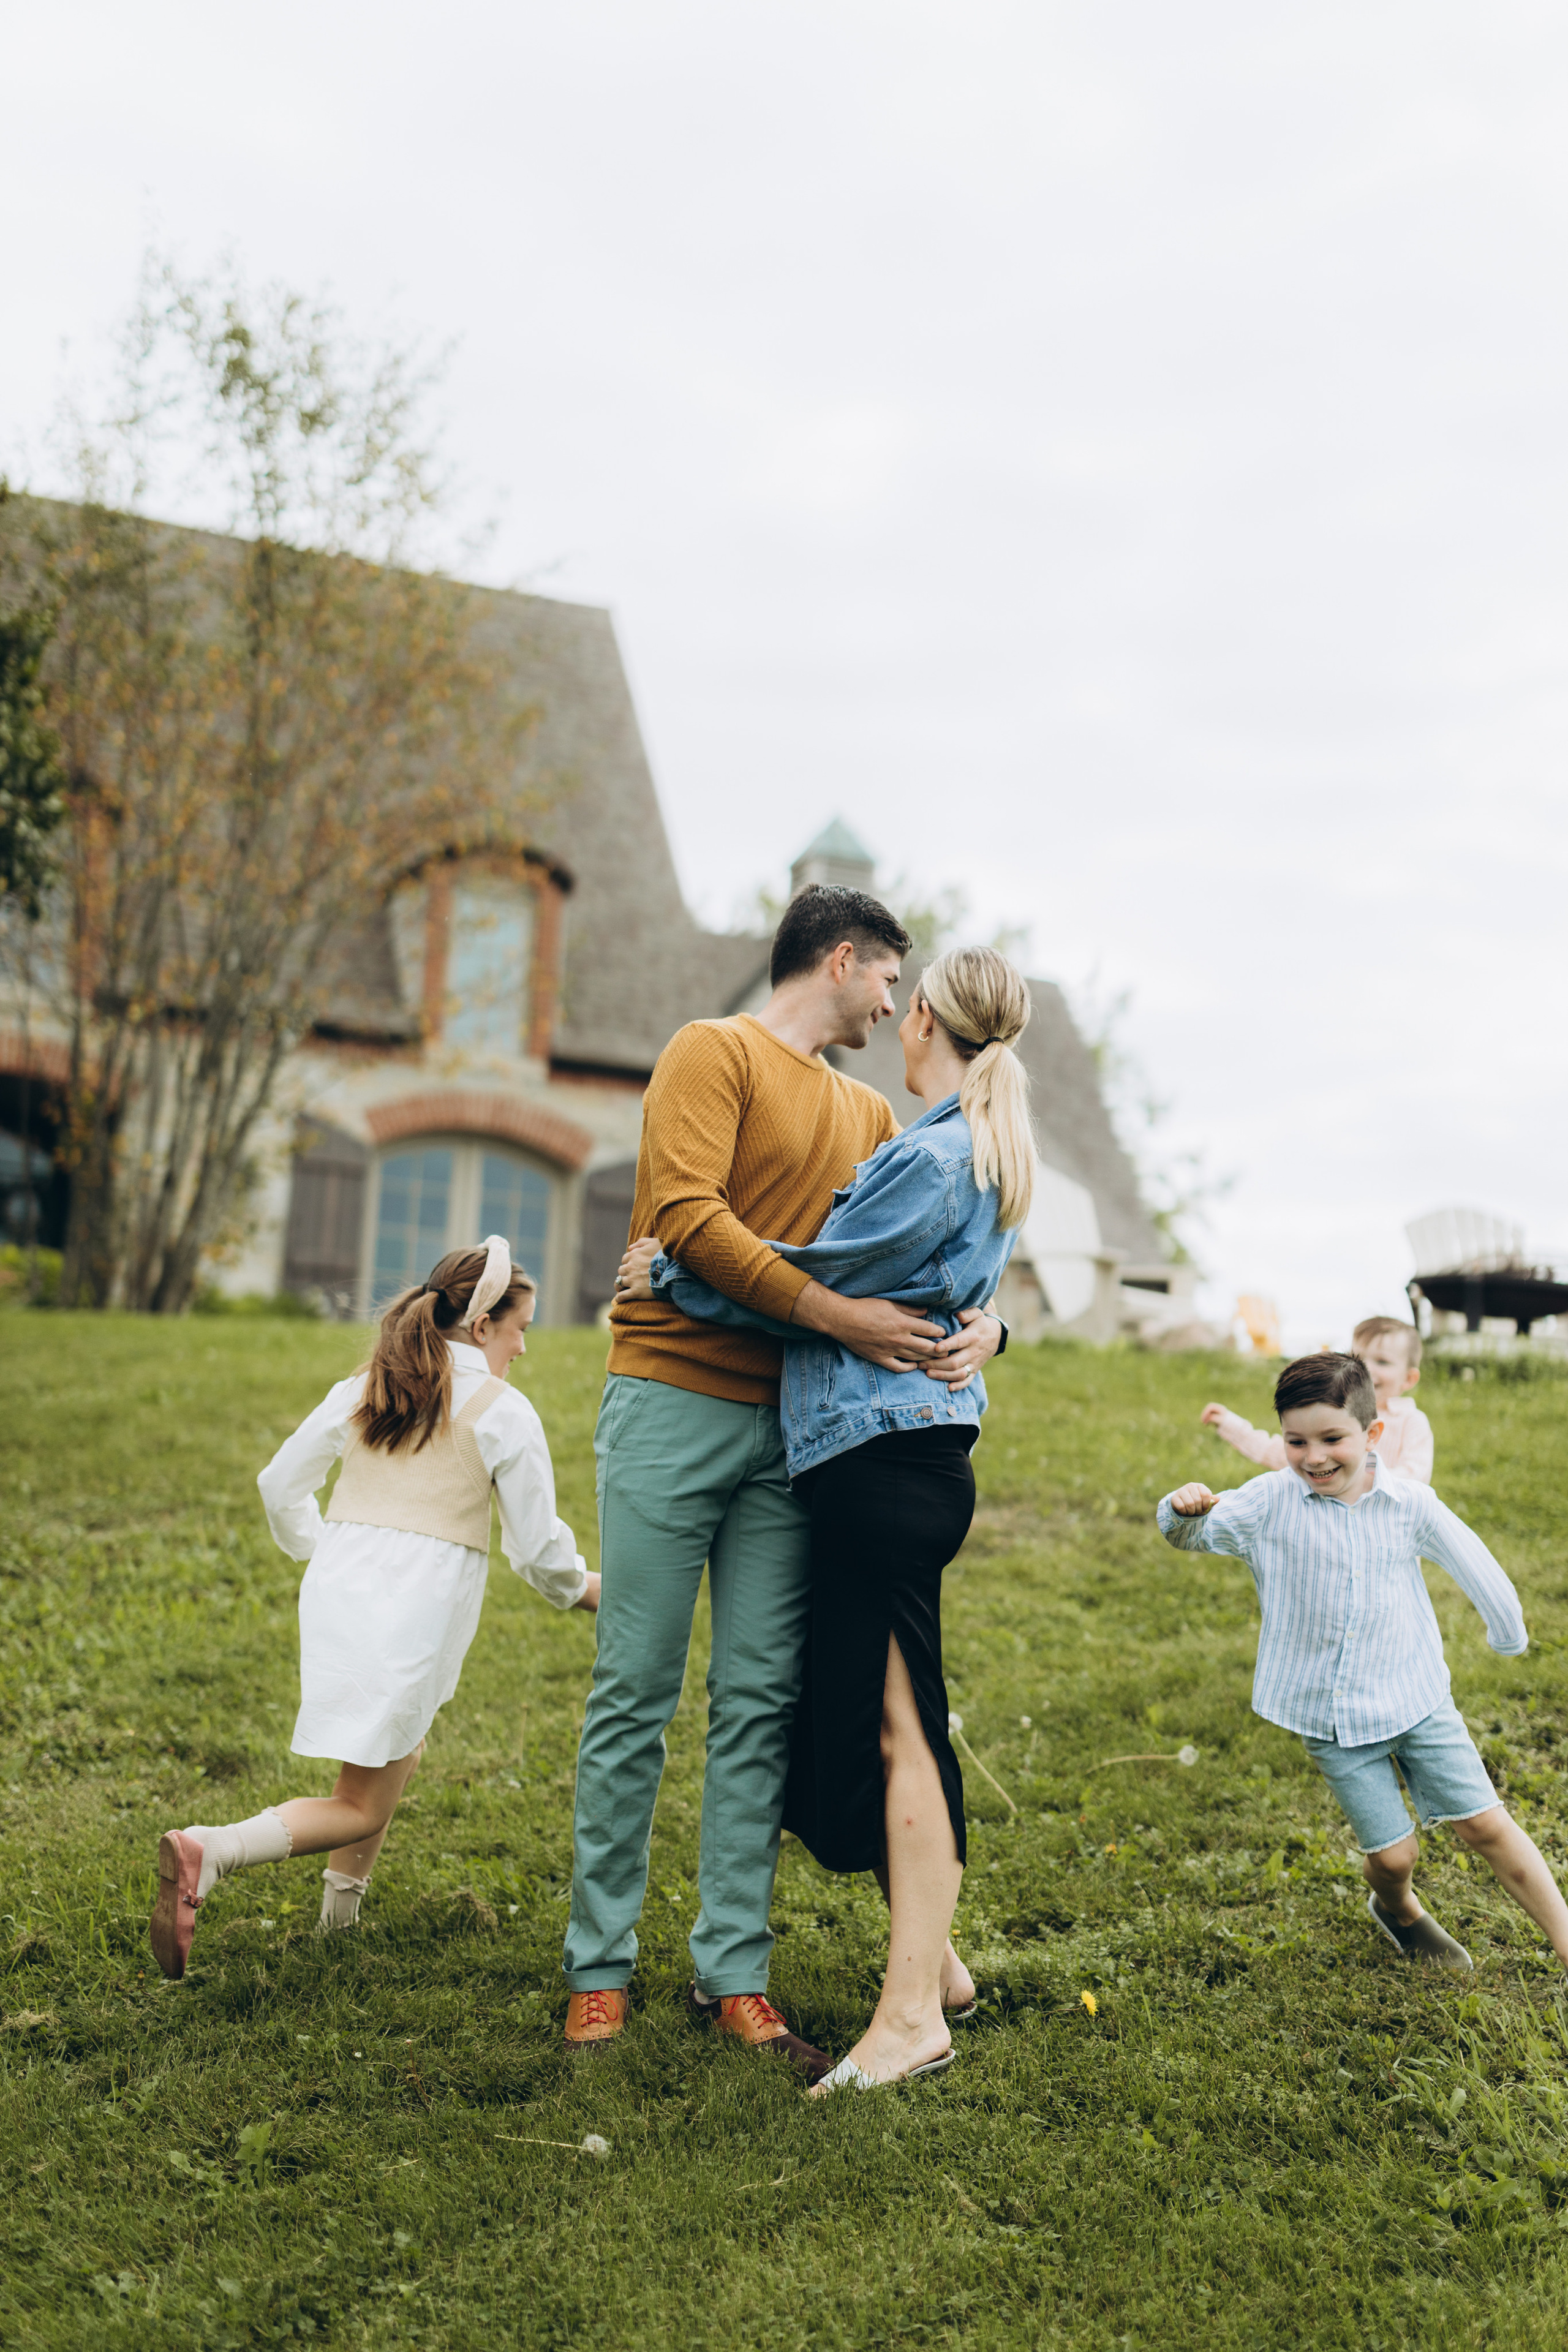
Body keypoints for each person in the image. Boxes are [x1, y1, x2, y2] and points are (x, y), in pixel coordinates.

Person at [562, 886, 1003, 2072]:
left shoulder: (870, 1117)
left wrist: (990, 1323)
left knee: (755, 1700)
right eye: (888, 981)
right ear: (843, 958)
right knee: (635, 1689)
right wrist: (834, 1315)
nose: (896, 1005)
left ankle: (732, 1972)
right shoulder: (709, 1055)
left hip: (792, 1437)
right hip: (668, 1398)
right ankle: (598, 1965)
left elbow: (940, 1234)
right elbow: (685, 1220)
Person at [149, 1237, 597, 1981]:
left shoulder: (365, 1386)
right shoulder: (503, 1412)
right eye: (520, 1329)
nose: (523, 1348)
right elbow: (539, 1550)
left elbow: (277, 1485)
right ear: (482, 1326)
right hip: (414, 1609)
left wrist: (319, 1550)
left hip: (340, 1588)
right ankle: (211, 1849)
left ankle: (340, 1920)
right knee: (359, 1801)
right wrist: (585, 1589)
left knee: (396, 1749)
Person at [1158, 1350, 1568, 1975]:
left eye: (1331, 1439)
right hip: (1329, 1715)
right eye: (1296, 1441)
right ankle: (1398, 1909)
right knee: (1395, 1856)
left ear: (1371, 1434)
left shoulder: (1409, 1504)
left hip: (1415, 1697)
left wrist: (1507, 1632)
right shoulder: (1270, 1501)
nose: (1313, 1456)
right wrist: (1179, 1509)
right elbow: (1195, 1534)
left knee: (1486, 1825)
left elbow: (1472, 1561)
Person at [1202, 1316, 1433, 1482]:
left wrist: (1359, 1481)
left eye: (1382, 1362)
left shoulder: (1411, 1422)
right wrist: (1232, 1425)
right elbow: (1283, 1452)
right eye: (1357, 1357)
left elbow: (1416, 1475)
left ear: (1409, 1378)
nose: (1366, 1368)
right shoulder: (1334, 1411)